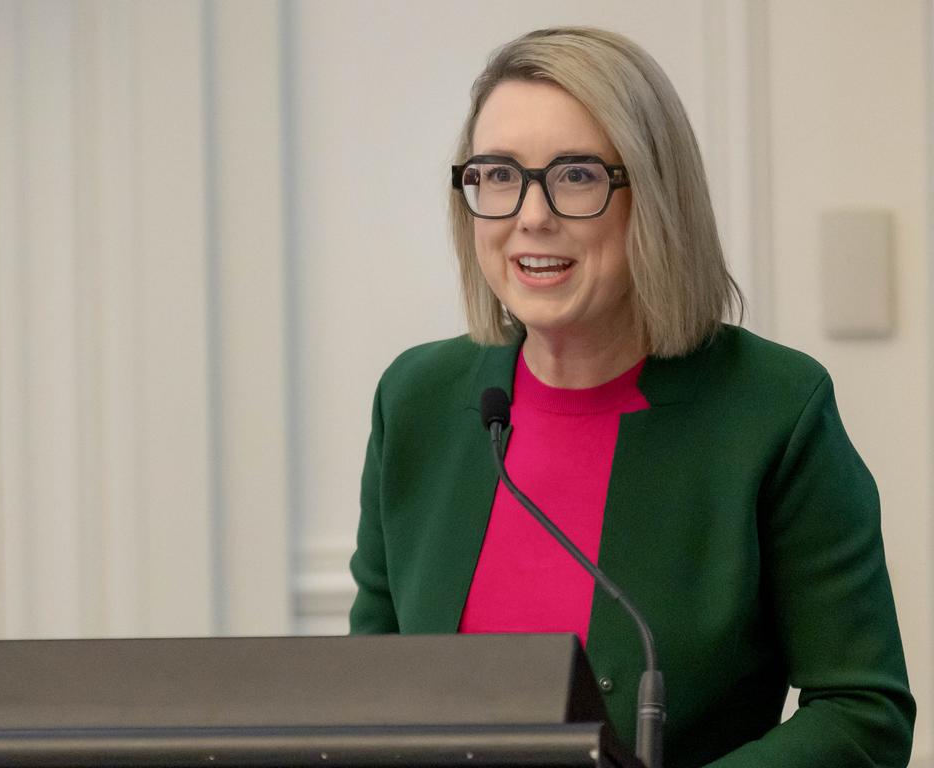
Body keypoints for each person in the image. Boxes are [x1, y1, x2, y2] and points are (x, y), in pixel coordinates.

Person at [348, 26, 914, 768]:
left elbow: (862, 712)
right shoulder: (414, 399)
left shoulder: (775, 407)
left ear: (653, 197)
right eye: (497, 175)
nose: (531, 215)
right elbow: (367, 699)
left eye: (576, 175)